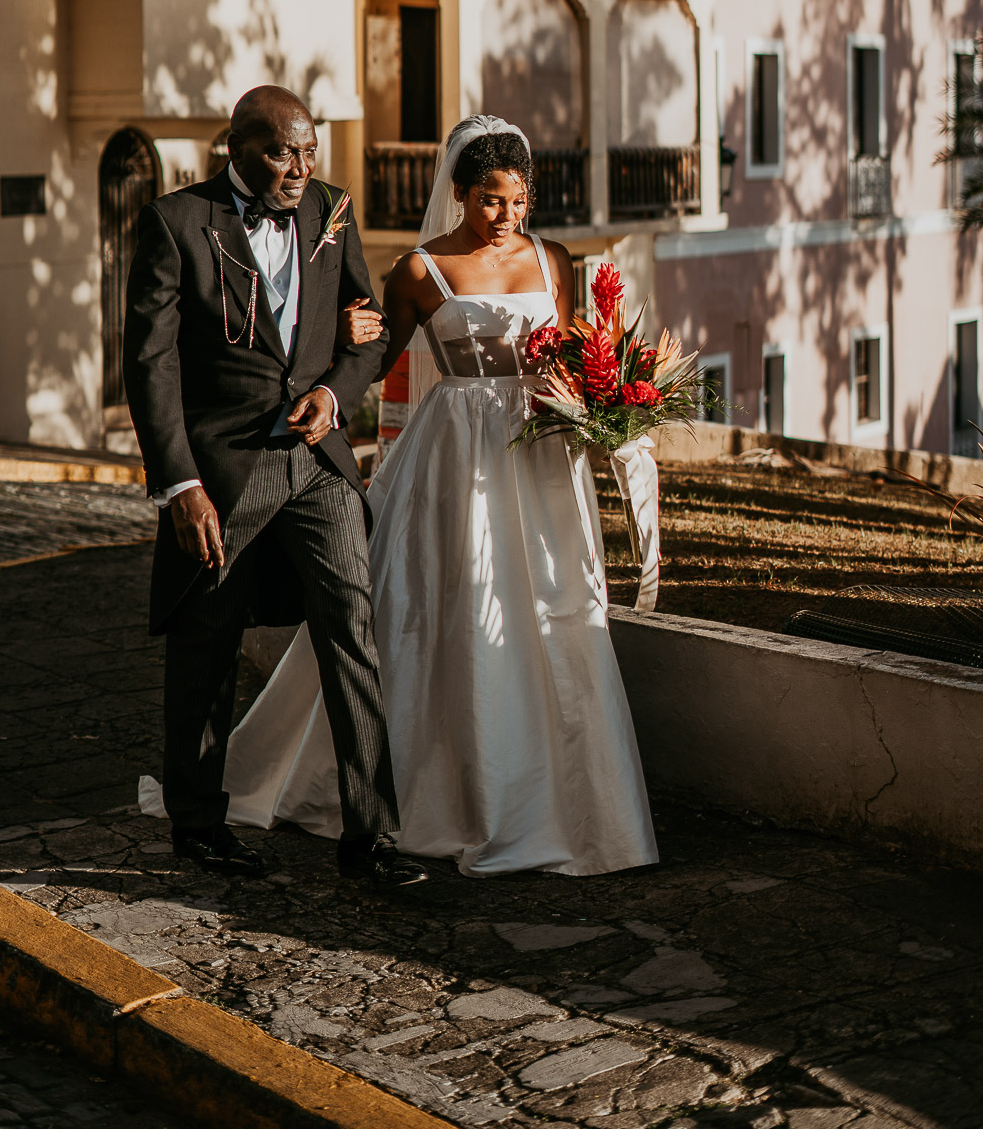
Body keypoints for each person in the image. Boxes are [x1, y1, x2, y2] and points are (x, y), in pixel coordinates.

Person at [211, 115, 659, 876]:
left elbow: (589, 350)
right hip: (456, 454)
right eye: (490, 201)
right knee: (448, 601)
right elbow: (377, 356)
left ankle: (575, 806)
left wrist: (607, 404)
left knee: (555, 602)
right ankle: (445, 798)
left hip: (544, 453)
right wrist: (332, 355)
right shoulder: (421, 270)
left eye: (517, 202)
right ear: (459, 193)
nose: (506, 217)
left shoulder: (552, 258)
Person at [125, 85, 427, 888]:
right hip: (224, 470)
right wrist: (179, 483)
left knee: (352, 634)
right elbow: (150, 365)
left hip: (318, 463)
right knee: (207, 643)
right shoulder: (175, 223)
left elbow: (372, 326)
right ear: (238, 147)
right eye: (281, 152)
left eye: (309, 152)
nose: (299, 169)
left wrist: (334, 394)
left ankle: (370, 837)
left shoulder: (332, 209)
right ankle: (198, 823)